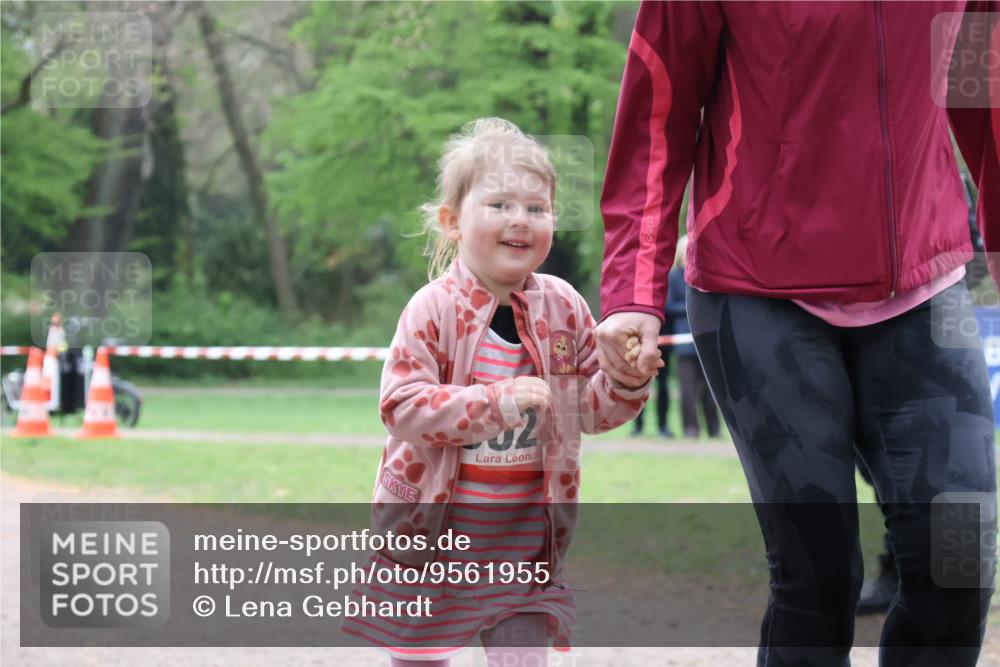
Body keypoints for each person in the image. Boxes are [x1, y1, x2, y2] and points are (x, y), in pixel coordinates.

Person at [595, 3, 998, 666]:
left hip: (924, 285)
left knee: (956, 560)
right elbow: (658, 106)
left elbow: (984, 85)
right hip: (758, 287)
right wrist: (632, 291)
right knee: (819, 577)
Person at [341, 118, 653, 666]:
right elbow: (401, 406)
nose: (520, 220)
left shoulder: (564, 308)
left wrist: (626, 376)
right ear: (452, 221)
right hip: (434, 544)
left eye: (537, 208)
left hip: (523, 547)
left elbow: (588, 410)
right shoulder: (433, 308)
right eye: (500, 205)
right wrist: (495, 403)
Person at [667, 234, 720, 439]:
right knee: (687, 390)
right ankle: (690, 429)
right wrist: (692, 309)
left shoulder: (706, 275)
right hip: (683, 342)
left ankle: (713, 429)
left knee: (710, 389)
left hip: (706, 340)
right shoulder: (674, 276)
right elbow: (669, 306)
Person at [631, 293, 676, 438]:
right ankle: (638, 426)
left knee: (663, 386)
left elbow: (669, 309)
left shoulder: (665, 288)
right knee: (639, 384)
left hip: (663, 346)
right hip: (640, 344)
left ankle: (663, 426)